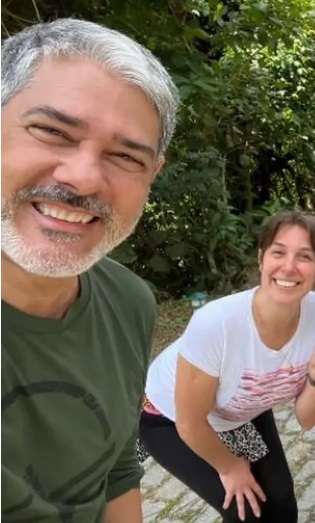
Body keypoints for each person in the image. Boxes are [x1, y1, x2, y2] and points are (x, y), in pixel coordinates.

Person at [1, 18, 179, 522]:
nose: (83, 178)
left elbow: (117, 468)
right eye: (52, 131)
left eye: (125, 156)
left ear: (152, 175)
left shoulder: (128, 301)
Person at [139, 211, 315, 523]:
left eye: (304, 256)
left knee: (282, 504)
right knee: (245, 511)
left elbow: (308, 420)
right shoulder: (216, 324)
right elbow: (191, 424)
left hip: (241, 410)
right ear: (261, 259)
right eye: (278, 252)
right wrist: (231, 467)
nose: (289, 266)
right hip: (170, 418)